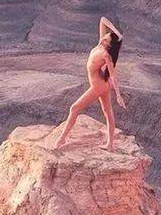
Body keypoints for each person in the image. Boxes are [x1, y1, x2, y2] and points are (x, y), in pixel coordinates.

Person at [52, 17, 125, 151]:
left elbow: (113, 75)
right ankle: (109, 145)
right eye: (106, 35)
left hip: (98, 86)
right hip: (102, 84)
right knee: (107, 112)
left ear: (110, 44)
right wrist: (117, 33)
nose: (104, 37)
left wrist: (118, 95)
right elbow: (103, 20)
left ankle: (61, 139)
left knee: (74, 108)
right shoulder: (100, 44)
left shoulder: (106, 54)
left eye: (107, 38)